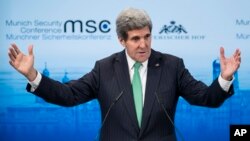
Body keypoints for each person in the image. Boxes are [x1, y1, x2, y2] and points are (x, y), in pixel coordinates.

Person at [8, 8, 241, 141]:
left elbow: (206, 98)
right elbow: (69, 95)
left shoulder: (172, 66)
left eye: (147, 36)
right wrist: (33, 75)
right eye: (135, 39)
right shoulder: (104, 68)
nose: (143, 45)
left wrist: (225, 78)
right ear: (122, 40)